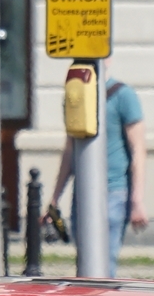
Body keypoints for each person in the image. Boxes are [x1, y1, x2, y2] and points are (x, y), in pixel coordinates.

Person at [47, 74, 146, 257]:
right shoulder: (75, 93)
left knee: (104, 263)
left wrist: (136, 201)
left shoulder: (123, 95)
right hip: (82, 193)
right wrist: (54, 199)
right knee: (86, 263)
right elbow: (69, 151)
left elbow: (138, 151)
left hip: (114, 192)